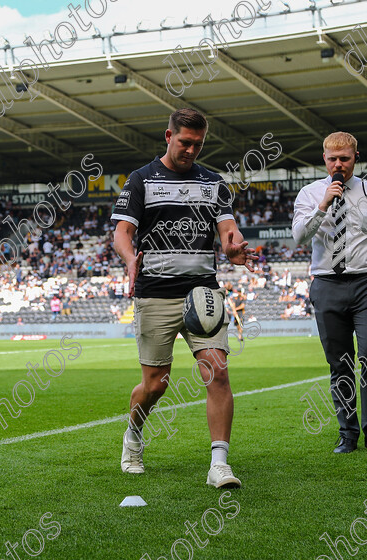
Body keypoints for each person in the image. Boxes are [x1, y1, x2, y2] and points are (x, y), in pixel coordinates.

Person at [111, 108, 256, 488]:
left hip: (203, 293)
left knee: (217, 371)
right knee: (156, 384)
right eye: (185, 142)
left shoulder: (214, 183)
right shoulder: (141, 180)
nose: (192, 150)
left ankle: (219, 464)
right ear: (168, 136)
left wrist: (233, 247)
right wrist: (130, 260)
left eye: (199, 144)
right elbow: (123, 232)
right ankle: (134, 436)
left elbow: (228, 230)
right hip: (155, 293)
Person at [292, 131, 367, 456]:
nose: (338, 165)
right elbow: (299, 237)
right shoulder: (310, 193)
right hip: (327, 284)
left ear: (356, 157)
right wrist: (324, 203)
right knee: (339, 364)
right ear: (324, 159)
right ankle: (347, 433)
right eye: (332, 159)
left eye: (344, 158)